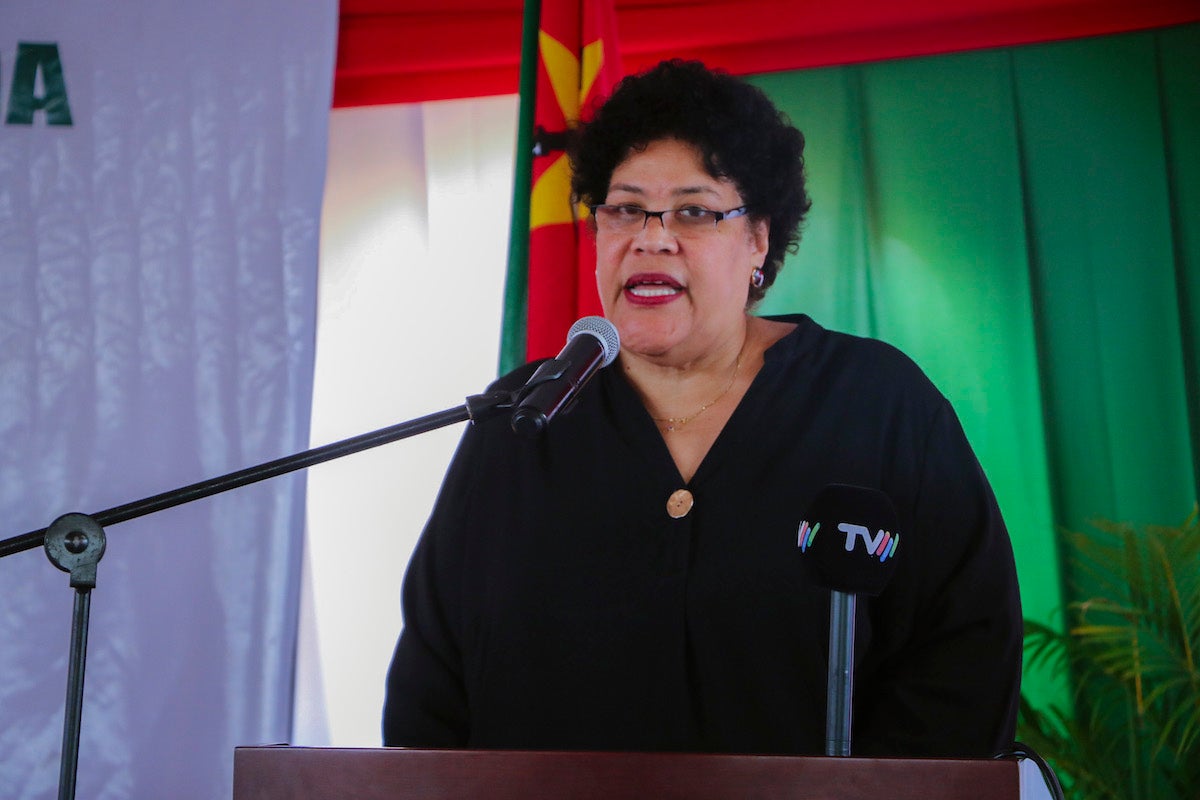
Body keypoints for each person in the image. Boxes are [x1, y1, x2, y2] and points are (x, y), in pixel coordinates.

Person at [382, 59, 1022, 758]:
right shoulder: (523, 420)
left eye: (695, 210)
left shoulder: (878, 405)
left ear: (759, 240)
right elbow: (431, 692)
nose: (651, 237)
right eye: (624, 208)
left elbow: (964, 657)